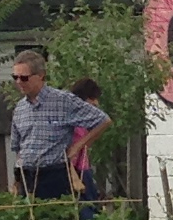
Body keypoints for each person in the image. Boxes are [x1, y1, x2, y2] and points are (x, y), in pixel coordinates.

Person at [6, 48, 105, 202]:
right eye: (15, 77)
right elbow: (18, 147)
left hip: (54, 175)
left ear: (40, 76)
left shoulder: (63, 101)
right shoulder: (20, 108)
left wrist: (77, 147)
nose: (19, 82)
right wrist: (17, 181)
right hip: (27, 176)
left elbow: (102, 120)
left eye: (24, 78)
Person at [65, 76, 109, 212]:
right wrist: (74, 178)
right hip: (72, 170)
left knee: (92, 209)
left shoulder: (85, 122)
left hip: (83, 167)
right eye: (92, 98)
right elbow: (66, 152)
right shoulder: (71, 121)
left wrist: (82, 144)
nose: (96, 103)